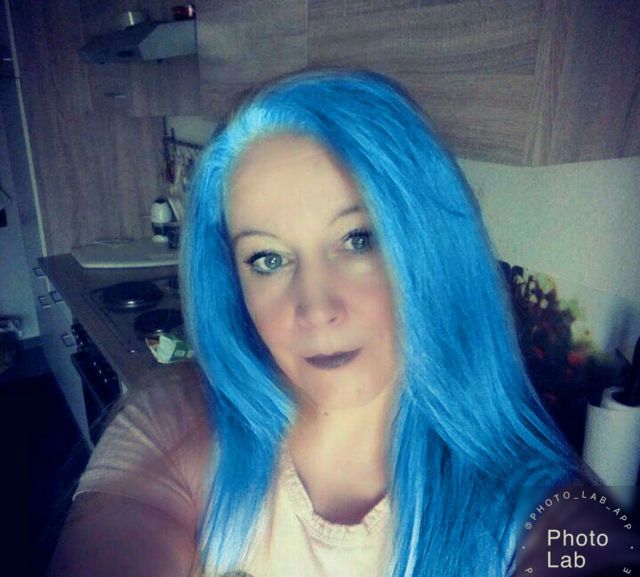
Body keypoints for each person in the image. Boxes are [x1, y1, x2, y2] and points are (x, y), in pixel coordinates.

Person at [46, 69, 635, 577]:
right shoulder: (179, 421)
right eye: (267, 259)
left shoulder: (550, 516)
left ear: (430, 248)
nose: (315, 308)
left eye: (358, 239)